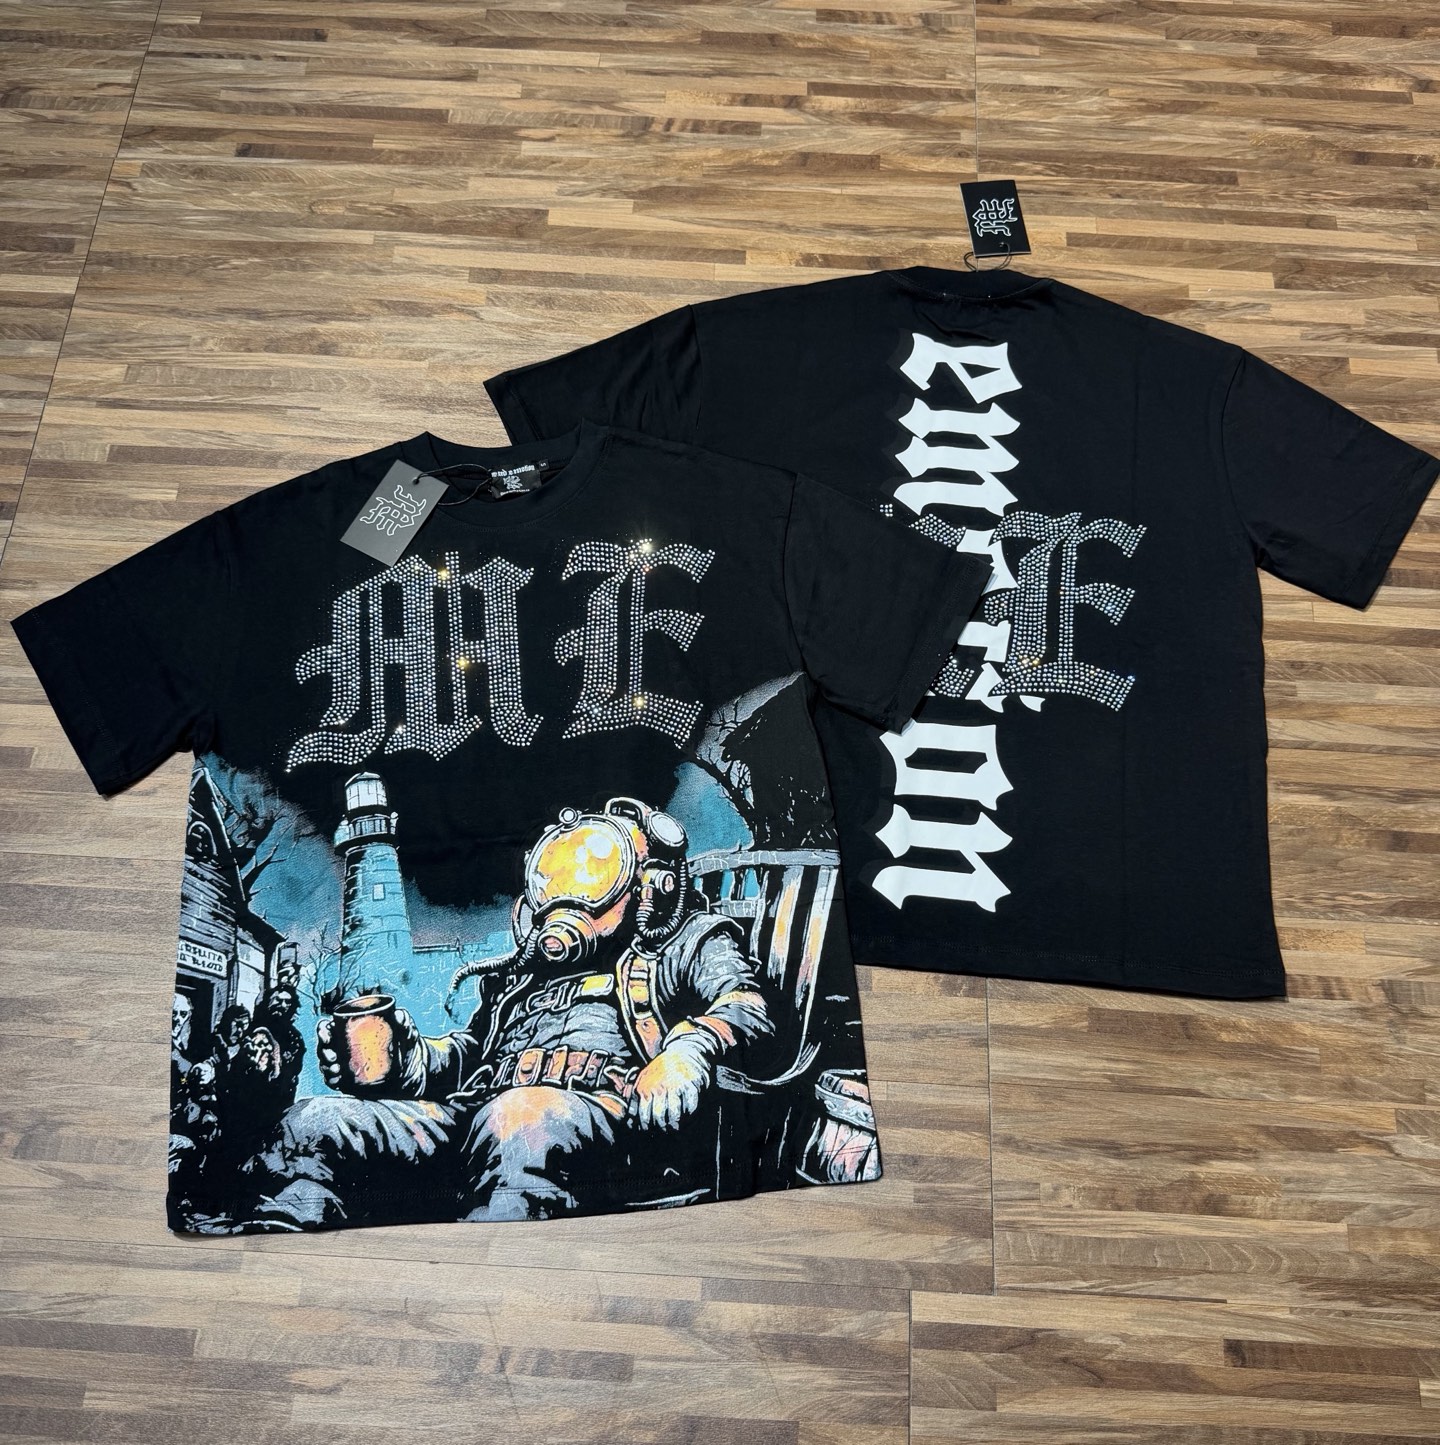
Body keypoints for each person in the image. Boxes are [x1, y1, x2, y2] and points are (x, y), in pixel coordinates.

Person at [241, 798, 775, 1229]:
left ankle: (495, 1267)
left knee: (521, 1117)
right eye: (555, 881)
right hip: (477, 1118)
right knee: (315, 1121)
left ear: (650, 888)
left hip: (605, 1124)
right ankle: (286, 1250)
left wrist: (688, 1050)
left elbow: (748, 1006)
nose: (567, 903)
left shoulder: (688, 942)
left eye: (597, 877)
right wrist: (409, 1061)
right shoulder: (523, 975)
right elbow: (472, 1055)